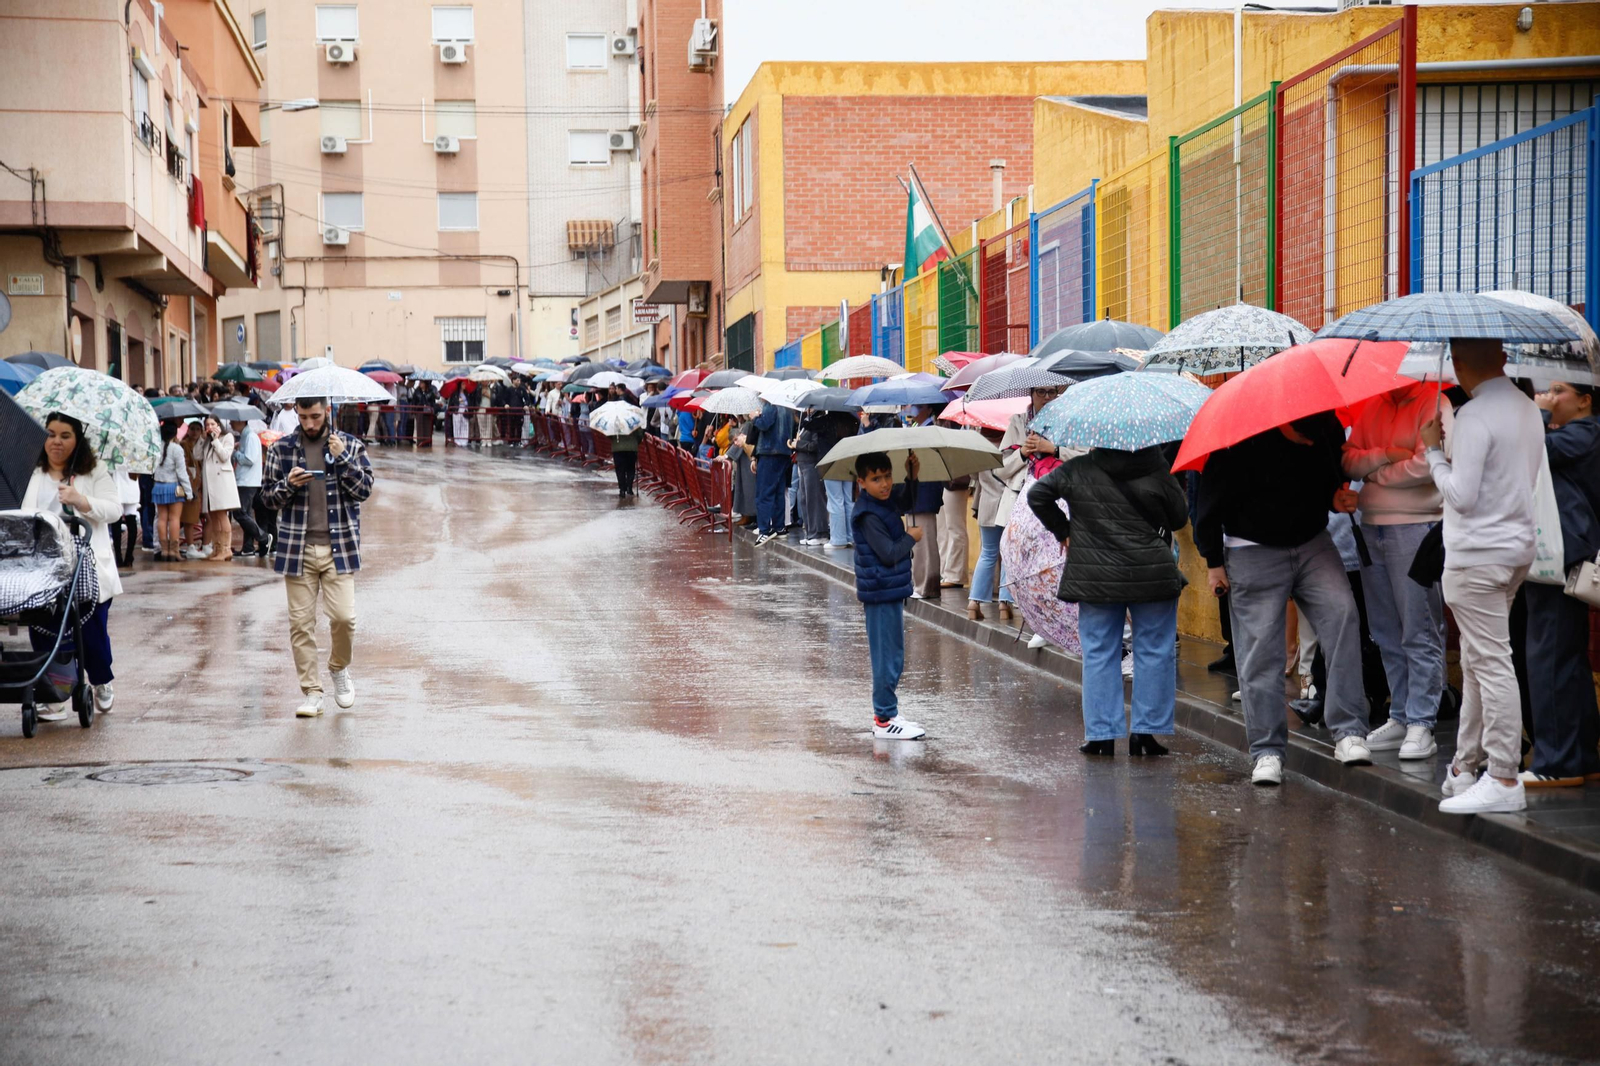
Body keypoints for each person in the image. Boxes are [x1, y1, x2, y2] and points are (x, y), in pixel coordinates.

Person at [1196, 413, 1374, 787]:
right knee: (1260, 649)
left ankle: (1349, 731)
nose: (1310, 443)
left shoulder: (1320, 424)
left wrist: (1335, 496)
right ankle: (1267, 751)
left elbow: (1328, 472)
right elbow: (1208, 501)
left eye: (1315, 438)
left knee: (1343, 615)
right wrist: (1214, 562)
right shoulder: (1238, 438)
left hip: (1312, 540)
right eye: (1300, 438)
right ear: (1282, 423)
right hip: (1251, 547)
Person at [1421, 339, 1544, 813]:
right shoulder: (1527, 408)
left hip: (1476, 557)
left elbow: (1461, 494)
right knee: (1476, 660)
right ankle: (1464, 767)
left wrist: (1434, 452)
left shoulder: (1473, 417)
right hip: (1516, 552)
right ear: (1502, 357)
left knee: (1490, 664)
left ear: (1456, 364)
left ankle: (1504, 777)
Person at [1029, 444, 1189, 757]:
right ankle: (1146, 733)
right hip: (1151, 571)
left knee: (1100, 652)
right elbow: (1179, 517)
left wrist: (1064, 530)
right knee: (1155, 650)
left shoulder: (1079, 468)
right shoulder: (1156, 467)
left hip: (1095, 574)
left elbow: (1038, 495)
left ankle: (1101, 736)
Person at [1342, 382, 1453, 758]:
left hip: (1417, 525)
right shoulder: (1371, 405)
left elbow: (1430, 465)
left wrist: (1376, 476)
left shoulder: (1435, 402)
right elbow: (1348, 460)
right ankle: (1402, 714)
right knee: (1386, 629)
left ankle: (1422, 722)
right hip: (1372, 523)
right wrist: (1387, 455)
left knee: (1418, 626)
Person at [262, 396, 375, 719]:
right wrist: (288, 485)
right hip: (297, 548)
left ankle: (339, 668)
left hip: (340, 547)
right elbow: (266, 499)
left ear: (327, 411)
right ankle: (312, 691)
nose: (309, 424)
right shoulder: (282, 449)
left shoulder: (349, 446)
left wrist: (342, 460)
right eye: (303, 417)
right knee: (301, 625)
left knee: (343, 618)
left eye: (314, 416)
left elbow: (364, 490)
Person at [1522, 380, 1600, 787]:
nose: (1550, 396)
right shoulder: (1578, 434)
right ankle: (1582, 757)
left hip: (1559, 558)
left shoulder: (1586, 432)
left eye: (1559, 391)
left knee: (1549, 657)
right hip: (1565, 555)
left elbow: (1532, 452)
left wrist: (1537, 411)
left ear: (1585, 401)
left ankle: (1557, 762)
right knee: (1567, 659)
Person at [23, 413, 123, 718]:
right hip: (44, 569)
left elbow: (115, 510)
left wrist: (81, 500)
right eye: (51, 434)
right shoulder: (32, 472)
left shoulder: (95, 472)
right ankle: (54, 695)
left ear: (77, 439)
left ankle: (101, 681)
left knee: (91, 634)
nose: (56, 441)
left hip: (87, 569)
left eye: (65, 435)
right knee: (46, 631)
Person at [851, 450, 926, 740]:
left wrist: (912, 476)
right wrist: (911, 538)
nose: (884, 484)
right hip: (880, 592)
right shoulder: (868, 513)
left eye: (887, 476)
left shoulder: (881, 502)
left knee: (893, 654)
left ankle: (889, 712)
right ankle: (884, 718)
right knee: (886, 658)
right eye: (875, 479)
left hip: (889, 590)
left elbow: (904, 502)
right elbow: (889, 553)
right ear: (862, 482)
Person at [968, 426, 1024, 622]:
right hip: (1007, 507)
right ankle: (1004, 603)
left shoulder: (978, 448)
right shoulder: (1010, 449)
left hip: (986, 508)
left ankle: (974, 602)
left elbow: (974, 477)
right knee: (1008, 555)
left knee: (988, 553)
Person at [903, 405, 946, 599]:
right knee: (917, 543)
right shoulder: (916, 429)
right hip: (915, 493)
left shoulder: (930, 432)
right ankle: (919, 583)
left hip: (925, 493)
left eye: (917, 407)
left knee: (925, 542)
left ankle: (926, 586)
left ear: (928, 409)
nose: (912, 410)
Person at [749, 398, 796, 545]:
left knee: (764, 493)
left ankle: (764, 530)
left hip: (769, 452)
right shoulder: (788, 407)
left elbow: (765, 424)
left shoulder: (771, 405)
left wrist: (755, 417)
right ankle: (779, 526)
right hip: (783, 453)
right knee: (778, 492)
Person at [151, 420, 193, 561]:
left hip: (158, 487)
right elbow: (182, 473)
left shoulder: (156, 448)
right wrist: (189, 491)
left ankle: (164, 551)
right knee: (174, 519)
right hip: (174, 487)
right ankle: (174, 552)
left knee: (162, 519)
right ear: (175, 434)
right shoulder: (177, 449)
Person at [200, 416, 240, 562]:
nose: (210, 427)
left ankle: (226, 549)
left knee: (222, 515)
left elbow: (224, 456)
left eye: (212, 424)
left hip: (221, 482)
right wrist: (203, 440)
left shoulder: (227, 437)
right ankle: (217, 548)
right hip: (210, 483)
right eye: (207, 425)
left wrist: (216, 440)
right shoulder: (207, 441)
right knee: (214, 515)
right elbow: (197, 455)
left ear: (218, 425)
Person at [231, 419, 269, 558]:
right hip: (244, 480)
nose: (231, 423)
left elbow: (249, 459)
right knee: (246, 514)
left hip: (247, 481)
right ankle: (248, 547)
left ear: (241, 421)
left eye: (233, 421)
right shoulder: (245, 437)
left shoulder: (251, 437)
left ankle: (264, 537)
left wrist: (235, 453)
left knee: (239, 513)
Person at [792, 409, 829, 545]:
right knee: (805, 499)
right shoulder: (807, 422)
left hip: (811, 464)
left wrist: (799, 444)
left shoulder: (817, 423)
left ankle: (818, 532)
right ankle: (810, 532)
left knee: (814, 499)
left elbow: (815, 445)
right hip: (803, 464)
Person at [611, 426, 642, 497]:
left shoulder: (615, 422)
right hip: (631, 448)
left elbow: (610, 435)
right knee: (630, 468)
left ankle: (622, 489)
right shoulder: (634, 421)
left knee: (620, 470)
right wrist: (636, 442)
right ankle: (629, 488)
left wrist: (615, 440)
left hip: (617, 448)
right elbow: (640, 435)